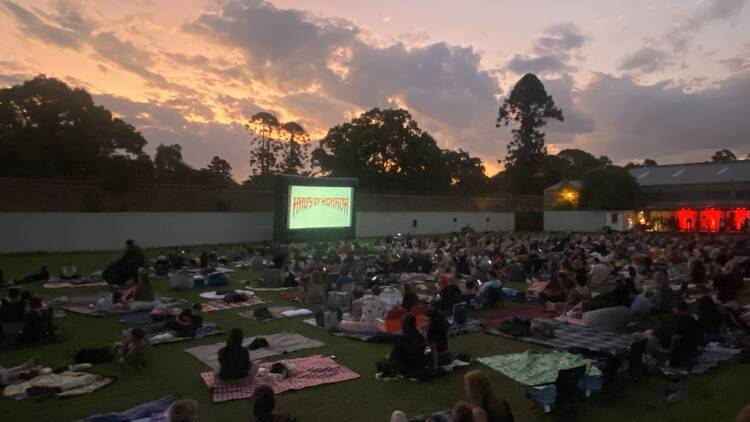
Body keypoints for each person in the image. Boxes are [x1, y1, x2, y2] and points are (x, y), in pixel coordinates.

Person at [389, 314, 427, 379]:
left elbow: (394, 356)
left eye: (402, 323)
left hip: (407, 367)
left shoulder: (402, 338)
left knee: (382, 363)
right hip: (420, 364)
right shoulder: (420, 336)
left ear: (405, 324)